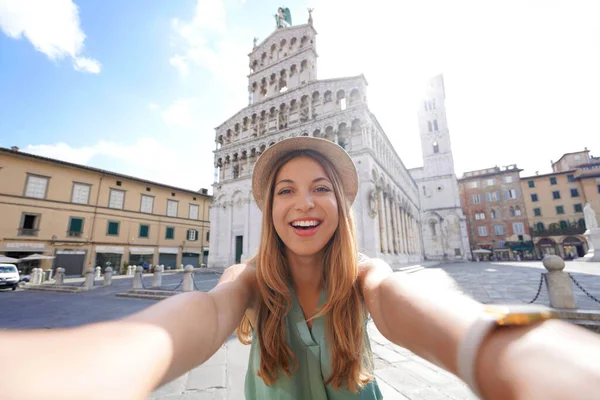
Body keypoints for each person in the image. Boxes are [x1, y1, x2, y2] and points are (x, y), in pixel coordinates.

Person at [2, 137, 600, 400]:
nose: (304, 203)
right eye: (285, 190)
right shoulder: (248, 279)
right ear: (268, 209)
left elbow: (411, 308)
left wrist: (499, 348)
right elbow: (202, 314)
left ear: (341, 205)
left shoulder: (367, 276)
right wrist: (108, 360)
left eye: (320, 188)